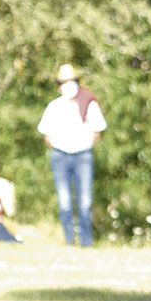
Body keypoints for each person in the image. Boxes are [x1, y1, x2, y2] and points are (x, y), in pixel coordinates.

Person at [37, 64, 107, 247]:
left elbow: (98, 130)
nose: (68, 85)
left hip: (83, 156)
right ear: (59, 85)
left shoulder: (88, 103)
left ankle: (86, 242)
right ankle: (69, 241)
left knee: (85, 201)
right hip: (60, 156)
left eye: (71, 81)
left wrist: (84, 146)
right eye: (64, 82)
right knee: (65, 201)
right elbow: (46, 134)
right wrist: (59, 148)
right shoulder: (54, 106)